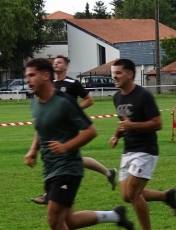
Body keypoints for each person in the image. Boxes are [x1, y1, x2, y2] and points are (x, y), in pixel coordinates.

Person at [23, 58, 135, 230]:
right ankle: (115, 215)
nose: (28, 80)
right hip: (50, 169)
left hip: (69, 168)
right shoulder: (35, 102)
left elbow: (91, 131)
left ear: (45, 76)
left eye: (31, 75)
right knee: (68, 221)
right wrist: (33, 150)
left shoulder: (64, 102)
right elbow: (40, 128)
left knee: (54, 218)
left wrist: (65, 147)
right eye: (26, 76)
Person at [109, 58, 176, 230]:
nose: (114, 77)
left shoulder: (143, 96)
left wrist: (133, 126)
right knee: (126, 195)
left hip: (146, 150)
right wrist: (117, 135)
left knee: (133, 192)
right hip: (128, 150)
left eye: (118, 73)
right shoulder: (117, 97)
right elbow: (124, 123)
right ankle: (166, 196)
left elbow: (158, 123)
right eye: (113, 73)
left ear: (129, 74)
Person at [30, 55, 117, 205]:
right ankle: (108, 172)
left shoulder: (72, 83)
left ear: (66, 66)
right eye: (54, 63)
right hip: (53, 127)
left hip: (67, 128)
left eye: (59, 63)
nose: (56, 65)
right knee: (74, 159)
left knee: (64, 159)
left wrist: (73, 112)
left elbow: (89, 100)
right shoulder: (49, 84)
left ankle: (51, 193)